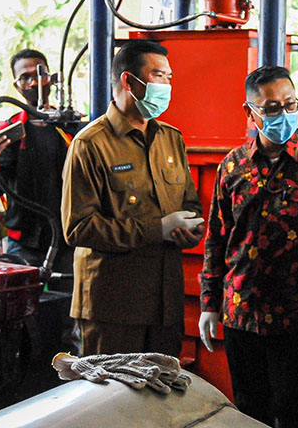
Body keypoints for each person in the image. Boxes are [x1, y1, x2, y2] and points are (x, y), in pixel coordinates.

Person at [199, 66, 298, 428]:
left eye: (290, 104)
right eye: (272, 108)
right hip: (241, 313)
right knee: (247, 409)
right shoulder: (233, 166)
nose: (284, 115)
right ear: (251, 112)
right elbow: (217, 239)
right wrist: (209, 303)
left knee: (294, 410)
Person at [61, 40, 203, 357]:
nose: (167, 85)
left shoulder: (170, 140)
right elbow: (78, 228)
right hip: (113, 310)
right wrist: (157, 229)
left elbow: (189, 204)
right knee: (111, 400)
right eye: (158, 76)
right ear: (129, 81)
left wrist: (189, 229)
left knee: (161, 400)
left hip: (165, 306)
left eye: (169, 77)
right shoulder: (90, 144)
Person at [0, 49, 74, 271]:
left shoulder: (69, 127)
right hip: (25, 238)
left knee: (66, 301)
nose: (34, 83)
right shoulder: (10, 131)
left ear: (52, 79)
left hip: (68, 236)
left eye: (40, 74)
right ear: (17, 86)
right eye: (26, 77)